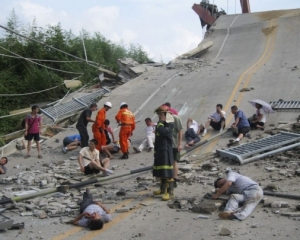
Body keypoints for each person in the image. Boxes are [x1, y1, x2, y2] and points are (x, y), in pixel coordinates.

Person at [153, 105, 175, 201]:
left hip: (166, 149)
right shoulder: (161, 123)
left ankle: (170, 192)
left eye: (160, 114)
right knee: (161, 171)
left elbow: (164, 132)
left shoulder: (169, 122)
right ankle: (162, 189)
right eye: (158, 114)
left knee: (167, 172)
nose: (159, 116)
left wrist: (160, 123)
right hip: (160, 148)